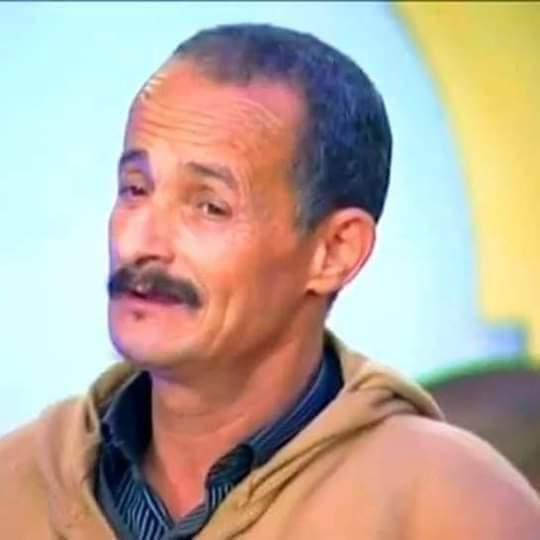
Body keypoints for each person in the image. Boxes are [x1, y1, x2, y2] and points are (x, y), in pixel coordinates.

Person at [0, 23, 538, 539]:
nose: (140, 241)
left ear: (335, 251)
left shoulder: (453, 506)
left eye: (209, 206)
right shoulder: (15, 484)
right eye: (135, 189)